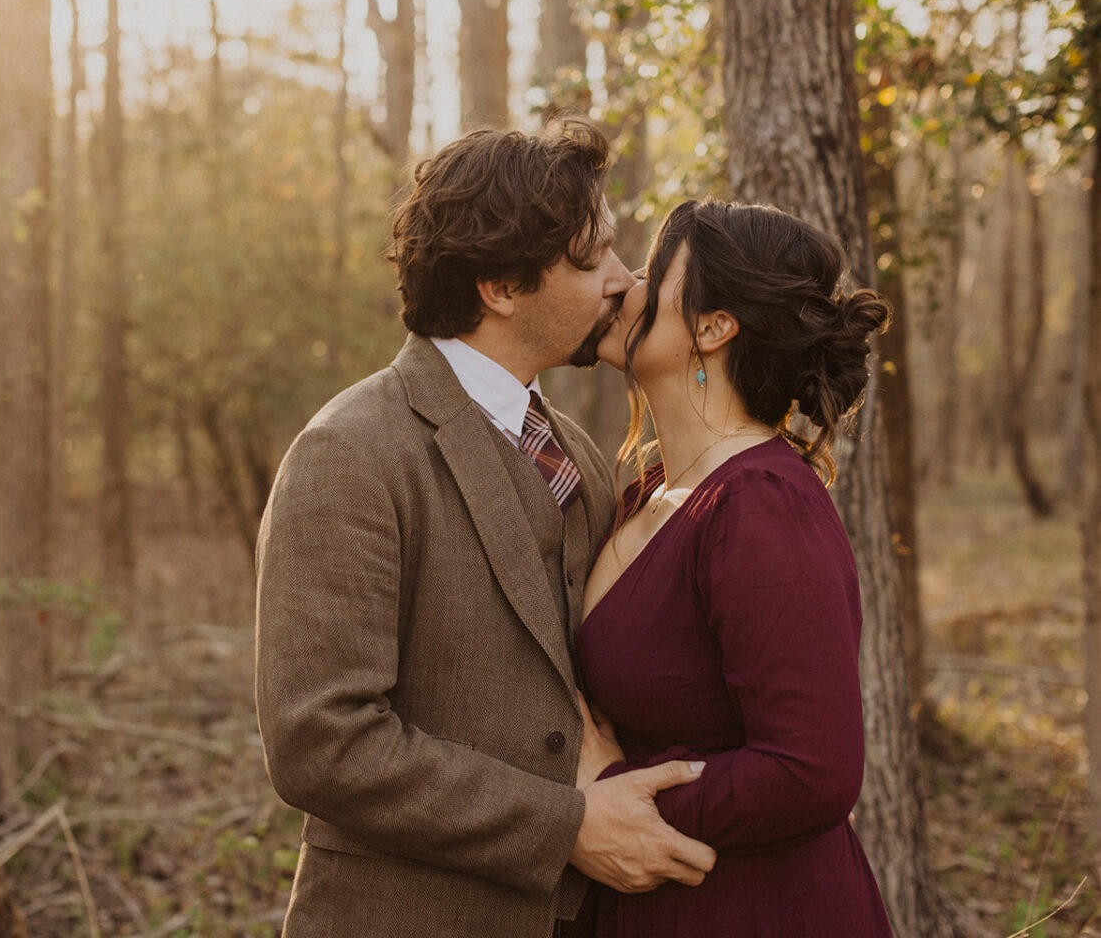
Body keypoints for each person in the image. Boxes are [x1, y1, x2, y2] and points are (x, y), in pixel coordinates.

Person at [255, 118, 716, 937]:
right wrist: (564, 827)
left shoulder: (576, 451)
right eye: (592, 257)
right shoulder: (350, 453)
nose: (623, 279)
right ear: (500, 287)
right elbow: (320, 743)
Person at [577, 198, 895, 935]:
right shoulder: (645, 494)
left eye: (654, 274)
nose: (624, 284)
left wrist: (616, 795)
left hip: (756, 908)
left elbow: (812, 772)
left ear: (714, 328)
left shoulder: (760, 504)